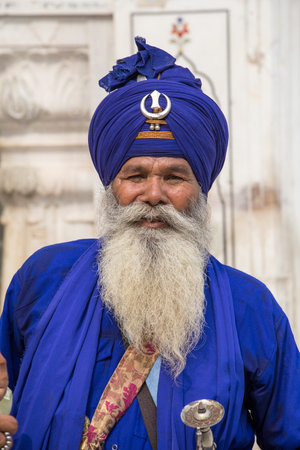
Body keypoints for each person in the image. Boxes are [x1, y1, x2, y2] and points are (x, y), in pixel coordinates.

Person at [0, 37, 300, 450]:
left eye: (174, 177)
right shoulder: (44, 280)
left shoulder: (251, 307)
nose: (153, 194)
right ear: (112, 186)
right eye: (135, 176)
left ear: (201, 190)